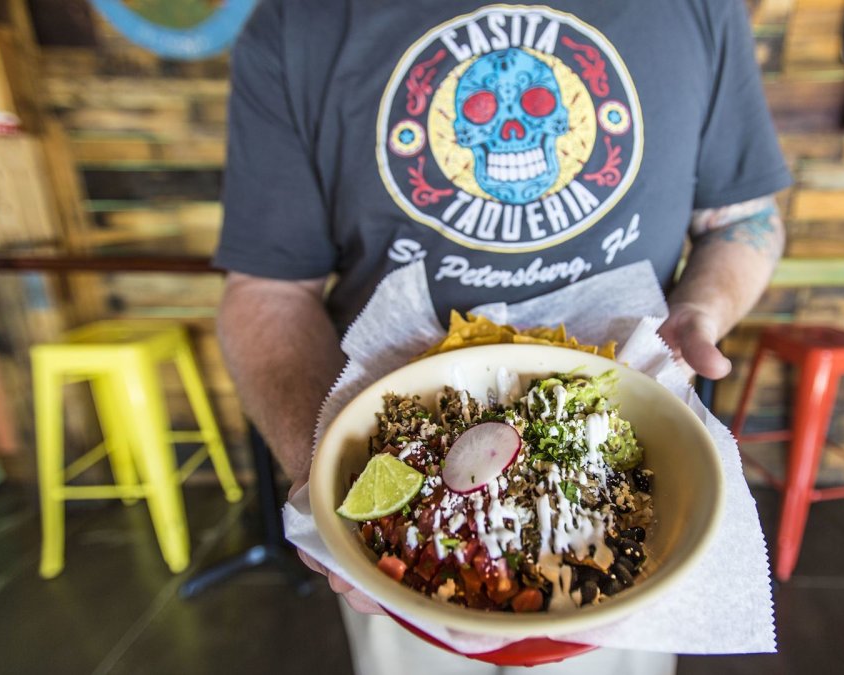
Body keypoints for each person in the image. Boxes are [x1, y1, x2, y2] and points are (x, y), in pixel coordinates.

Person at [214, 1, 790, 673]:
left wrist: (701, 311)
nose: (513, 130)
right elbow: (266, 289)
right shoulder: (297, 22)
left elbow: (745, 219)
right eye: (484, 115)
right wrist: (321, 465)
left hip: (627, 498)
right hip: (405, 497)